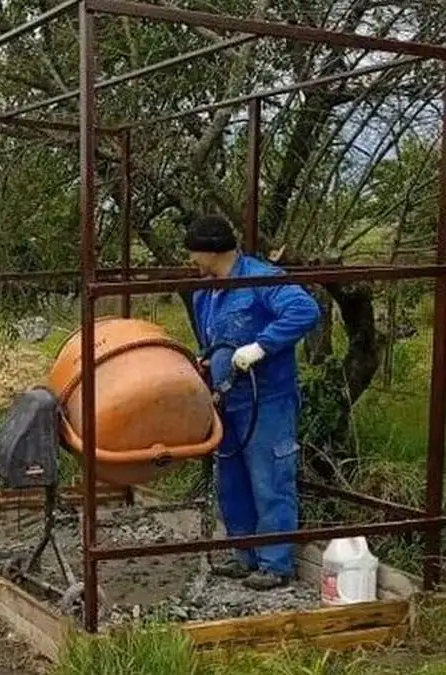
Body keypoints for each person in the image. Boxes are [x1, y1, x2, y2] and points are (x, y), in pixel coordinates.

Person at [185, 214, 320, 591]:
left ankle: (276, 564)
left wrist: (262, 345)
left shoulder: (262, 279)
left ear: (211, 250)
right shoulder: (205, 293)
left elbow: (305, 311)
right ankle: (243, 554)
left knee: (270, 479)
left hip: (268, 400)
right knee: (231, 481)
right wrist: (209, 363)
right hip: (226, 401)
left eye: (194, 252)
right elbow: (211, 340)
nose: (192, 261)